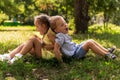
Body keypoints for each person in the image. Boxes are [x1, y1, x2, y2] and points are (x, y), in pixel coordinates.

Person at [50, 15, 117, 62]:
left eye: (65, 23)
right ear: (56, 30)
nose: (65, 25)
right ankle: (107, 55)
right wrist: (61, 62)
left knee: (90, 40)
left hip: (75, 48)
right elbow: (56, 50)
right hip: (74, 55)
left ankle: (106, 51)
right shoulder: (60, 36)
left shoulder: (63, 34)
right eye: (62, 25)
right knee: (89, 43)